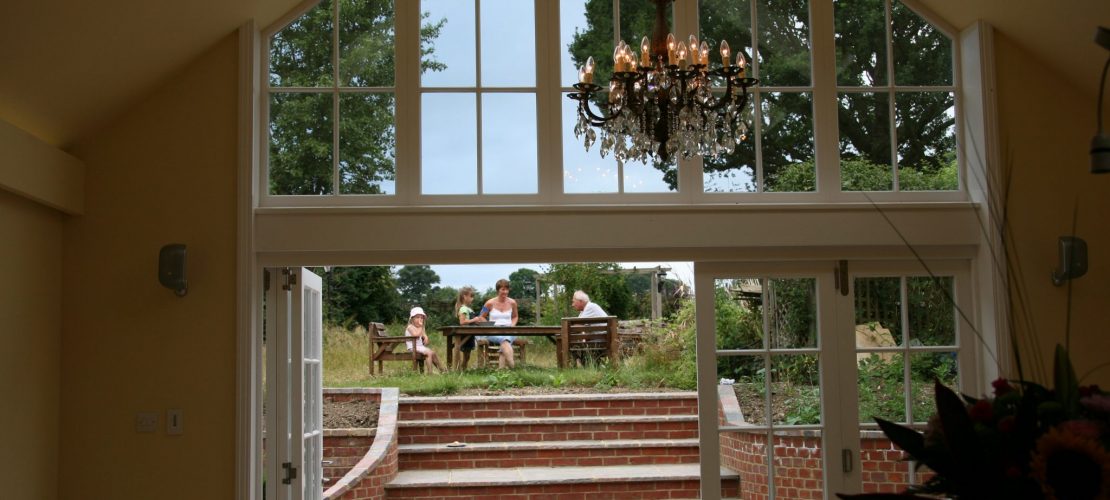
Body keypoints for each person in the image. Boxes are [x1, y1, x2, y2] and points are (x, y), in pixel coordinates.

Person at [481, 278, 519, 369]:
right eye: (503, 289)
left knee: (505, 340)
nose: (505, 292)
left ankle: (501, 371)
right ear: (498, 290)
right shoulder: (489, 303)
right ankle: (513, 367)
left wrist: (512, 325)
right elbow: (481, 317)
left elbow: (515, 317)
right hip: (494, 331)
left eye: (507, 289)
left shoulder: (513, 303)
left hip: (509, 330)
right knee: (505, 340)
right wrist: (489, 326)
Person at [404, 306, 445, 373]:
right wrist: (421, 327)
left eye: (421, 318)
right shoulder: (410, 327)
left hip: (420, 347)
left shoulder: (421, 328)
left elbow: (425, 339)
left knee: (433, 353)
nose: (420, 319)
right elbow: (416, 335)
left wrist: (426, 338)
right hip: (412, 347)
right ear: (412, 319)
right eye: (417, 317)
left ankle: (442, 370)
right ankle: (430, 373)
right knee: (429, 353)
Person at [453, 286, 482, 370]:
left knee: (467, 355)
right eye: (471, 296)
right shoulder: (463, 309)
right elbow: (462, 322)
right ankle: (461, 369)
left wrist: (476, 322)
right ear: (465, 296)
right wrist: (474, 320)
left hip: (470, 334)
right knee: (466, 354)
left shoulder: (468, 309)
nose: (472, 299)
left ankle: (463, 369)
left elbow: (469, 321)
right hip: (465, 334)